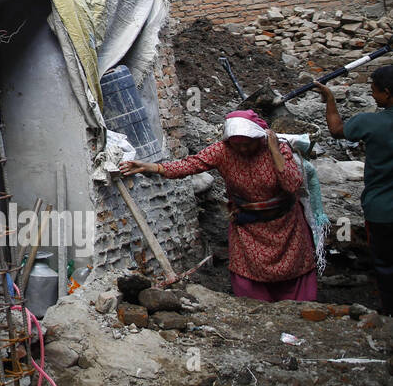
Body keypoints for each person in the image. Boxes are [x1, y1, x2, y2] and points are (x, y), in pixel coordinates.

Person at [119, 110, 317, 302]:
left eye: (248, 144)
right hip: (249, 227)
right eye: (237, 145)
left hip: (285, 225)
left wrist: (274, 150)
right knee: (248, 272)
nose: (243, 150)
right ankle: (254, 309)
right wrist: (152, 167)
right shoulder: (222, 151)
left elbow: (292, 184)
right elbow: (190, 165)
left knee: (293, 269)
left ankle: (296, 308)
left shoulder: (278, 149)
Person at [315, 65, 393, 315]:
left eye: (374, 91)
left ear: (388, 92)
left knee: (386, 265)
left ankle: (390, 315)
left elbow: (337, 130)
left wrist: (330, 99)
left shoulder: (370, 122)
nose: (372, 95)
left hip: (382, 212)